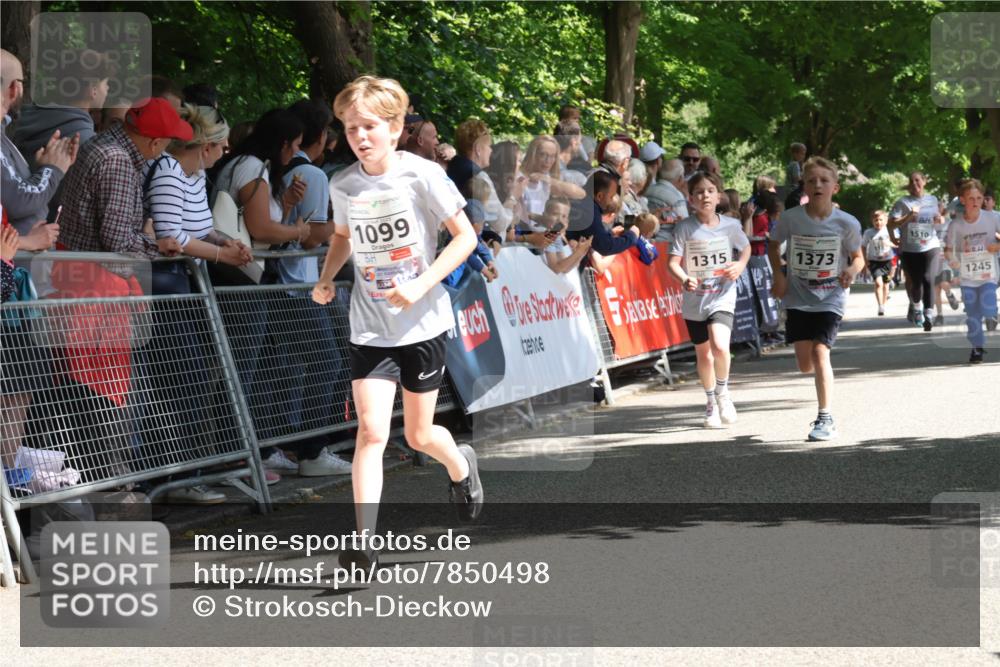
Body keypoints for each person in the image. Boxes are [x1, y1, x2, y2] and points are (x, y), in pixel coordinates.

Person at [311, 76, 483, 568]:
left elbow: (465, 238)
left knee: (419, 436)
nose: (359, 137)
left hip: (422, 323)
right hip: (370, 323)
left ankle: (460, 464)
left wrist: (422, 283)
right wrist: (327, 277)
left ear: (391, 127)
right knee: (370, 432)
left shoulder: (423, 175)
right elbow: (343, 236)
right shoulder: (343, 183)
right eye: (349, 128)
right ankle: (363, 541)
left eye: (368, 126)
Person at [769, 157, 864, 442]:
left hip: (830, 296)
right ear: (804, 187)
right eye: (812, 181)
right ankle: (819, 390)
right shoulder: (791, 218)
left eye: (824, 180)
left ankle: (825, 417)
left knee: (821, 351)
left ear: (836, 187)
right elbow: (773, 245)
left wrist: (850, 270)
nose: (818, 185)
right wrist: (779, 274)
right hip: (797, 296)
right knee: (804, 363)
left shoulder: (847, 223)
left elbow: (859, 258)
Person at [668, 172, 751, 428]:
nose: (705, 195)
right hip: (695, 301)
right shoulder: (684, 228)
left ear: (719, 196)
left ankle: (723, 393)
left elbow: (745, 247)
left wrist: (739, 265)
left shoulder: (731, 226)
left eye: (710, 190)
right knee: (703, 355)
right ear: (691, 199)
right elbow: (672, 262)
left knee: (720, 346)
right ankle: (710, 401)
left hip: (722, 296)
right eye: (699, 192)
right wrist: (684, 278)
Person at [0, 49, 75, 247]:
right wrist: (52, 170)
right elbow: (18, 200)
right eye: (22, 83)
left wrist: (41, 169)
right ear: (15, 88)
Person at [943, 179, 1000, 364]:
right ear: (962, 200)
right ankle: (977, 348)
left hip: (988, 274)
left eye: (979, 197)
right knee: (973, 314)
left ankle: (993, 314)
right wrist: (953, 262)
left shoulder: (993, 218)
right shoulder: (956, 225)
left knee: (988, 302)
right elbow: (948, 249)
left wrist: (997, 246)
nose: (976, 201)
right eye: (971, 198)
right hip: (967, 276)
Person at [889, 171, 943, 330]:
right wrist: (908, 217)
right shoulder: (902, 202)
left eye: (917, 180)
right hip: (910, 248)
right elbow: (891, 224)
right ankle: (916, 306)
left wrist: (939, 220)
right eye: (911, 181)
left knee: (929, 279)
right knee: (916, 281)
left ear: (924, 181)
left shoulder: (932, 199)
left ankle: (928, 314)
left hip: (931, 245)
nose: (914, 184)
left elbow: (937, 218)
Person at [518, 134, 586, 225]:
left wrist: (549, 180)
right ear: (533, 154)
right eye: (543, 154)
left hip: (542, 234)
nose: (548, 160)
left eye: (552, 156)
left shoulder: (547, 178)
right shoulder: (518, 178)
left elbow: (581, 194)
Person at [537, 197, 591, 274]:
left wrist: (581, 253)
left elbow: (564, 269)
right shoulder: (547, 233)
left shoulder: (556, 236)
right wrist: (578, 253)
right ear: (544, 214)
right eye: (555, 214)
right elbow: (555, 268)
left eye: (564, 216)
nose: (560, 220)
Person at [862, 210, 894, 316]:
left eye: (881, 220)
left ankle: (884, 304)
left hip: (888, 261)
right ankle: (880, 305)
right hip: (874, 262)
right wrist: (865, 261)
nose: (878, 222)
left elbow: (897, 243)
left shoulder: (889, 231)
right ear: (872, 221)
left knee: (886, 283)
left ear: (885, 220)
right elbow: (863, 246)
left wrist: (889, 245)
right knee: (878, 283)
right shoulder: (868, 233)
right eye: (876, 220)